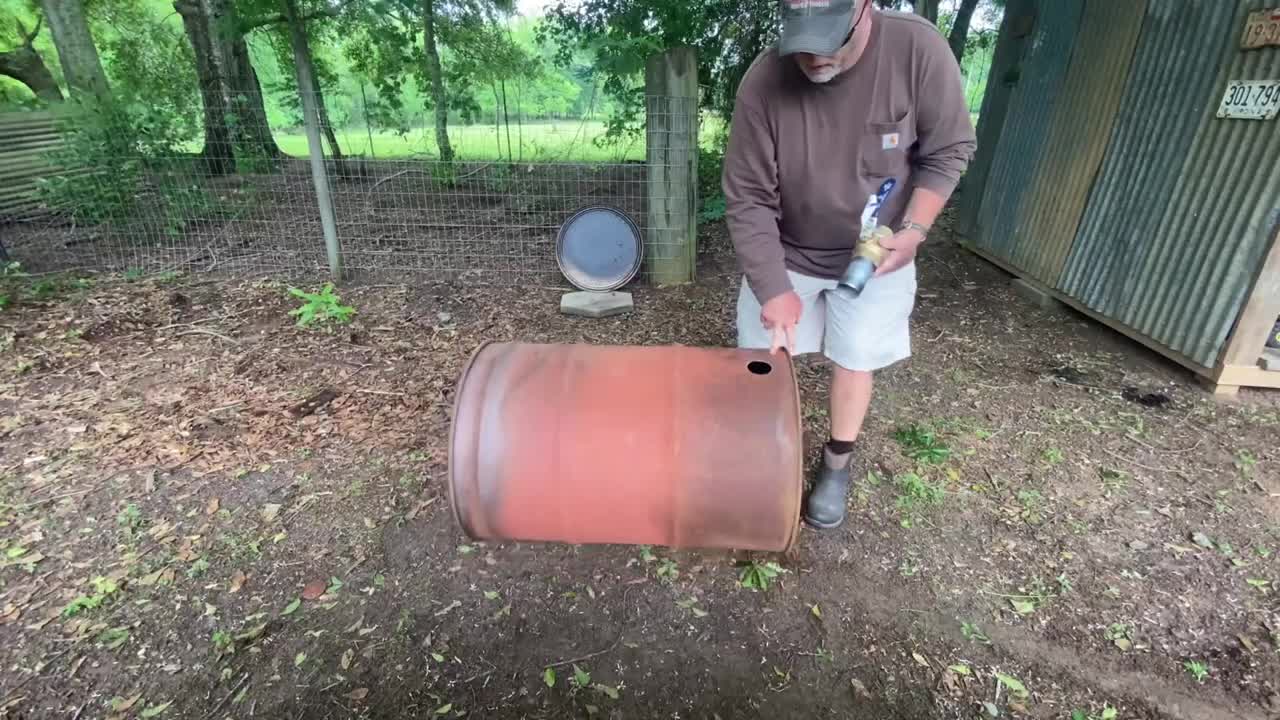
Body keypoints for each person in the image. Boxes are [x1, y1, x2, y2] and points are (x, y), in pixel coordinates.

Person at [723, 0, 976, 529]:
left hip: (875, 253)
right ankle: (763, 460)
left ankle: (836, 462)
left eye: (830, 38)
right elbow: (748, 196)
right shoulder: (764, 81)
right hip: (788, 249)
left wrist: (914, 230)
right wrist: (772, 288)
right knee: (761, 360)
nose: (814, 57)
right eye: (802, 43)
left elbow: (949, 148)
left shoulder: (917, 48)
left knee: (855, 356)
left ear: (865, 8)